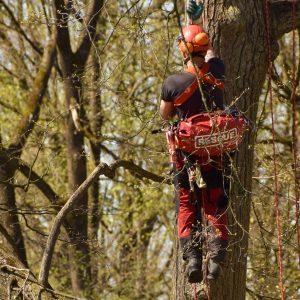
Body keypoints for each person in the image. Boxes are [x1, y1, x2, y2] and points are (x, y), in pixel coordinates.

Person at [159, 17, 230, 283]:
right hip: (215, 153)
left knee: (187, 204)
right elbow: (211, 55)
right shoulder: (218, 71)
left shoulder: (173, 84)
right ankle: (217, 261)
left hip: (186, 156)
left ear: (183, 51)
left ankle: (193, 260)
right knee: (215, 202)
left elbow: (166, 116)